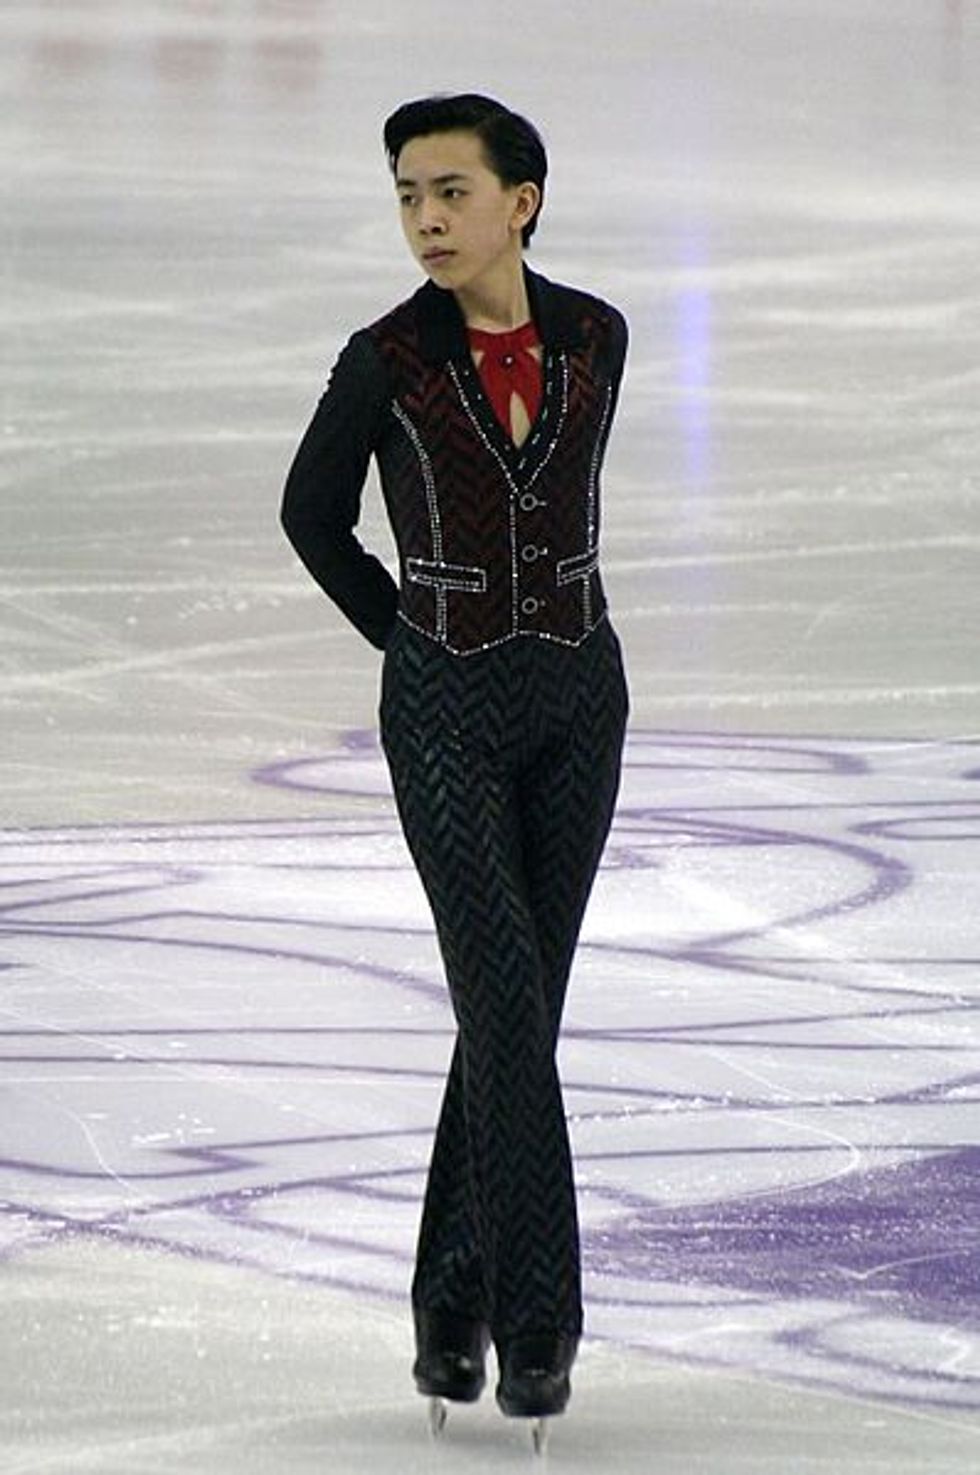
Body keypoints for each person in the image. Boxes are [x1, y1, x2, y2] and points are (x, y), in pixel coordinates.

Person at [280, 93, 629, 1427]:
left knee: (518, 1009)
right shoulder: (387, 360)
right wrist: (410, 636)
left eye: (450, 192)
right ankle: (535, 1326)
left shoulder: (596, 336)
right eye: (407, 196)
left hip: (579, 696)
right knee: (502, 998)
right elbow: (312, 515)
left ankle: (445, 1305)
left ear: (519, 203)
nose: (425, 218)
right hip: (445, 714)